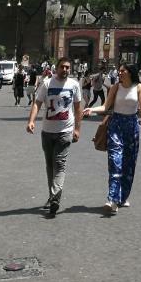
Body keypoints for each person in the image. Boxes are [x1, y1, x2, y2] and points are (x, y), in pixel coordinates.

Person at [83, 63, 141, 215]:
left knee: (129, 164)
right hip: (116, 125)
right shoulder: (115, 87)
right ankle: (112, 199)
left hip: (132, 126)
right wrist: (91, 109)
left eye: (123, 70)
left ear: (130, 72)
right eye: (119, 70)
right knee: (115, 161)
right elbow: (105, 107)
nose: (120, 72)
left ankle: (122, 197)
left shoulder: (138, 87)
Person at [26, 57, 82, 216]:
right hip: (47, 131)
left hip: (65, 131)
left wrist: (77, 129)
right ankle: (52, 196)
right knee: (50, 165)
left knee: (60, 163)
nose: (65, 70)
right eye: (62, 67)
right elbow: (37, 103)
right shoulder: (47, 83)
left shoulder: (74, 85)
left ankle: (55, 196)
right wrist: (31, 121)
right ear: (56, 68)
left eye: (67, 67)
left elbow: (78, 108)